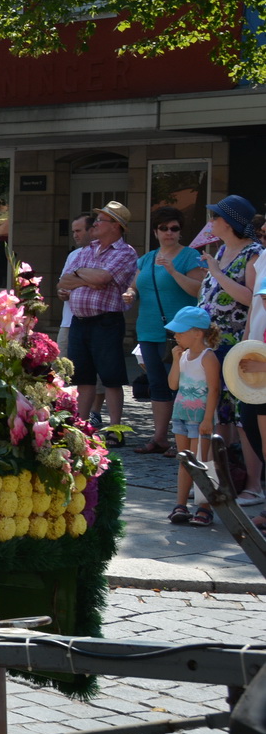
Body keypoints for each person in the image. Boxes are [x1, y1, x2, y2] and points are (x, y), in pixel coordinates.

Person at [200, 194, 264, 503]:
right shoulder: (222, 250)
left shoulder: (254, 254)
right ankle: (223, 480)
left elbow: (253, 298)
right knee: (220, 414)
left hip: (238, 346)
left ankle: (254, 484)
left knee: (243, 417)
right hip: (211, 345)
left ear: (229, 222)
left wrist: (217, 273)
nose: (210, 222)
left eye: (215, 217)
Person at [128, 207, 207, 454]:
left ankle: (181, 440)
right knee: (157, 384)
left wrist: (172, 270)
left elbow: (198, 290)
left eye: (174, 228)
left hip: (181, 332)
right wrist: (130, 293)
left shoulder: (190, 256)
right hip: (149, 329)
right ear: (156, 231)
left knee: (183, 385)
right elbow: (136, 285)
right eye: (164, 228)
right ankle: (160, 437)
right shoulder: (147, 258)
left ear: (180, 231)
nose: (169, 233)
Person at [58, 201, 137, 443]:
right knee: (83, 377)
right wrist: (88, 278)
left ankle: (115, 429)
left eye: (101, 220)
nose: (96, 223)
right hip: (79, 322)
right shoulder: (85, 251)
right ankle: (80, 429)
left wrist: (80, 275)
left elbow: (104, 277)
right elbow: (62, 282)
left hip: (106, 322)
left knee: (111, 377)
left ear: (116, 226)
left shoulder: (125, 252)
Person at [165, 307, 222, 526]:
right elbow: (173, 384)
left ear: (197, 333)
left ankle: (204, 506)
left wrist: (208, 419)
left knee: (201, 461)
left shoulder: (208, 357)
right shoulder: (183, 355)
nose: (176, 336)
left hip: (200, 417)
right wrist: (175, 360)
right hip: (181, 414)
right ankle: (180, 505)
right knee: (184, 460)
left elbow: (214, 390)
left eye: (180, 331)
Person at [55, 213, 93, 352]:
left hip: (93, 322)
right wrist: (62, 292)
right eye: (73, 232)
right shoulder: (73, 255)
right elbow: (61, 283)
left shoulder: (104, 253)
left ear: (91, 230)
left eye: (78, 231)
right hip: (68, 321)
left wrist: (75, 281)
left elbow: (101, 282)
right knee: (60, 366)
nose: (75, 235)